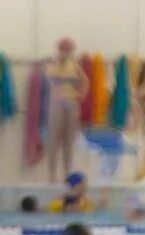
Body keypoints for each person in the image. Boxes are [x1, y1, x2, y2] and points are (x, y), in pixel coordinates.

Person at [46, 38, 89, 182]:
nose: (66, 52)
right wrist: (59, 61)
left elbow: (85, 81)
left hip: (71, 103)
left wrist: (80, 95)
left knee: (69, 140)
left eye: (68, 49)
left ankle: (67, 173)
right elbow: (50, 78)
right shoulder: (52, 64)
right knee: (53, 139)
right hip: (57, 103)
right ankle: (52, 175)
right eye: (63, 49)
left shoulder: (75, 66)